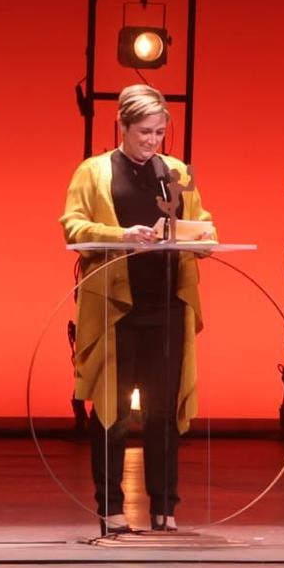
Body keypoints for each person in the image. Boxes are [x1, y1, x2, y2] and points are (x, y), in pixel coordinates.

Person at [60, 84, 213, 533]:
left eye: (160, 132)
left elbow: (200, 220)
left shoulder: (177, 172)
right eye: (144, 131)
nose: (152, 141)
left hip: (166, 304)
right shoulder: (94, 172)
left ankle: (165, 509)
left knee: (163, 411)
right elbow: (73, 226)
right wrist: (122, 235)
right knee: (113, 410)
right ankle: (111, 508)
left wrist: (202, 238)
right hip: (117, 308)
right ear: (122, 126)